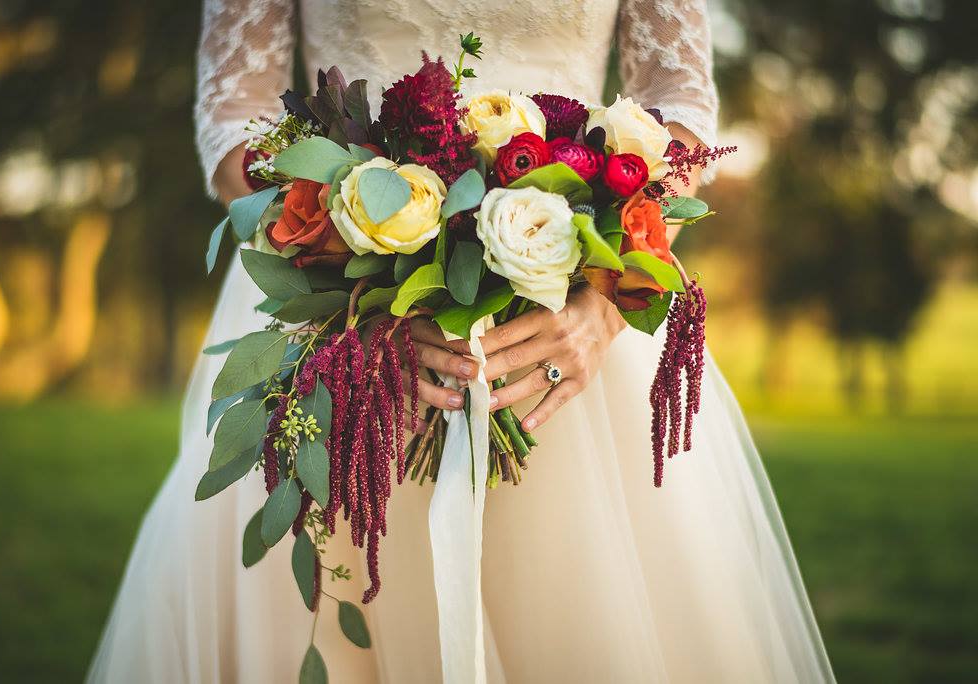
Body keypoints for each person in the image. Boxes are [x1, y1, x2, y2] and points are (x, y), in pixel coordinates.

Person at [87, 1, 836, 681]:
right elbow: (234, 118)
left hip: (571, 318)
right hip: (334, 314)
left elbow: (681, 105)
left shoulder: (596, 309)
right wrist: (358, 273)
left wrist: (606, 307)